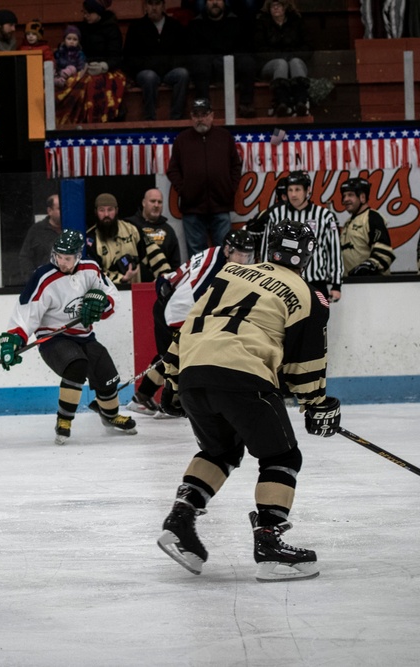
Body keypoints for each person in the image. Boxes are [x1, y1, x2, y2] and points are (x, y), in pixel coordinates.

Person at [156, 218, 340, 582]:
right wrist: (316, 404)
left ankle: (180, 519)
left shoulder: (230, 274)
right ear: (306, 255)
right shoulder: (307, 294)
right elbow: (305, 363)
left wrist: (174, 382)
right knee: (282, 455)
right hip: (244, 376)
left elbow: (191, 324)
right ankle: (269, 543)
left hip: (195, 373)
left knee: (219, 452)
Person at [0, 229, 137, 445]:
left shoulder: (91, 269)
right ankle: (64, 420)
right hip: (53, 338)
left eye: (68, 258)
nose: (62, 262)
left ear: (78, 256)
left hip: (85, 336)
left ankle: (110, 416)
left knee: (107, 374)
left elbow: (112, 297)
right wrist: (14, 339)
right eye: (59, 257)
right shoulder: (43, 277)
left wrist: (102, 304)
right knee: (76, 366)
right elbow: (26, 313)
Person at [127, 230, 255, 417]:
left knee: (170, 356)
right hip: (174, 313)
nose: (243, 260)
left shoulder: (217, 254)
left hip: (173, 304)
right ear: (227, 250)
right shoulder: (214, 267)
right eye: (239, 254)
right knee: (179, 358)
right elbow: (199, 299)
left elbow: (175, 276)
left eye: (247, 256)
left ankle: (143, 397)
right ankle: (172, 402)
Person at [250, 170, 343, 301]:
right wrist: (267, 278)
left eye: (298, 189)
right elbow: (267, 247)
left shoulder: (325, 216)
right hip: (282, 282)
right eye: (290, 190)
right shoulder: (276, 215)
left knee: (317, 321)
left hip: (315, 282)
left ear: (308, 190)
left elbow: (333, 250)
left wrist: (336, 284)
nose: (293, 194)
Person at [166, 98, 242, 256]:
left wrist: (230, 188)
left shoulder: (224, 137)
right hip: (192, 207)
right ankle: (199, 281)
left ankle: (222, 281)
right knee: (196, 256)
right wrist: (184, 190)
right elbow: (172, 170)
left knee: (224, 252)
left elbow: (236, 165)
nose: (200, 118)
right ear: (192, 117)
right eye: (196, 114)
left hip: (221, 205)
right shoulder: (182, 139)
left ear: (212, 115)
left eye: (204, 114)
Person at [56, 0, 126, 124]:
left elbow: (117, 57)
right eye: (84, 12)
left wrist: (104, 66)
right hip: (82, 66)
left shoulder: (112, 29)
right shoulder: (82, 28)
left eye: (89, 13)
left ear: (98, 13)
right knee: (71, 82)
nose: (85, 16)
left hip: (107, 69)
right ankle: (69, 120)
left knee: (93, 83)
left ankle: (95, 120)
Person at [186, 0, 258, 118]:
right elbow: (194, 50)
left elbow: (243, 48)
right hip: (208, 69)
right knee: (200, 62)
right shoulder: (196, 24)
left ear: (225, 2)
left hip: (233, 67)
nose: (215, 2)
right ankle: (203, 106)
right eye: (211, 0)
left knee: (247, 62)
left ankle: (246, 104)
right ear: (205, 3)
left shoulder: (236, 22)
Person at [122, 0, 190, 121]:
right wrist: (150, 65)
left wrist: (167, 65)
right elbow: (130, 57)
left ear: (163, 6)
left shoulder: (175, 26)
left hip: (169, 72)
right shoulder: (136, 27)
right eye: (150, 4)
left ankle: (176, 118)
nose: (154, 8)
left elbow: (183, 53)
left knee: (182, 74)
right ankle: (150, 119)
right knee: (150, 76)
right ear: (145, 7)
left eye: (157, 4)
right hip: (145, 72)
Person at [85, 192, 171, 285]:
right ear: (96, 212)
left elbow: (152, 253)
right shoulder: (90, 239)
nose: (106, 214)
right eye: (102, 210)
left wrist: (164, 276)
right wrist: (121, 279)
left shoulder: (132, 229)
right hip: (106, 294)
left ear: (116, 210)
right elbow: (93, 273)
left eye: (110, 210)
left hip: (134, 292)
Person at [254, 0, 311, 117]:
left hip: (294, 59)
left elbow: (308, 46)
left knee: (295, 62)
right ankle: (282, 102)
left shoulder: (296, 22)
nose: (275, 8)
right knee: (281, 64)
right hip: (270, 64)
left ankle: (301, 102)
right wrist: (281, 57)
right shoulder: (262, 23)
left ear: (285, 7)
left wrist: (292, 55)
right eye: (272, 6)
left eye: (278, 5)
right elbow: (259, 49)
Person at [338, 176, 394, 277]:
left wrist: (368, 266)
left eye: (350, 195)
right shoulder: (348, 222)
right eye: (344, 195)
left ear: (362, 197)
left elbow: (385, 254)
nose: (345, 199)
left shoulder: (372, 217)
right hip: (351, 284)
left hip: (372, 284)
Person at [126, 188, 182, 281]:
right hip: (132, 284)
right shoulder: (129, 225)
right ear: (144, 203)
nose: (156, 205)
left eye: (159, 202)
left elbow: (175, 265)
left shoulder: (169, 230)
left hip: (160, 284)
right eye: (152, 201)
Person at [18, 194, 62, 280]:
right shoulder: (37, 230)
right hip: (45, 284)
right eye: (59, 208)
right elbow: (25, 257)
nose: (64, 211)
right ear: (50, 211)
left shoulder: (75, 228)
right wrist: (32, 279)